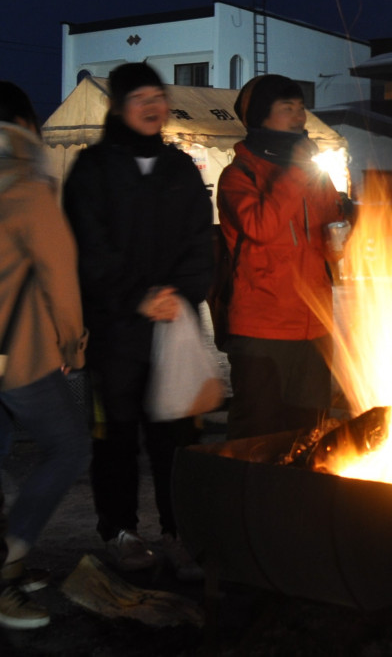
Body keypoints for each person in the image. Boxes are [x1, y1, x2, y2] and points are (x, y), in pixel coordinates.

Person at [62, 63, 214, 580]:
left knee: (177, 437)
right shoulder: (94, 167)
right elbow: (86, 247)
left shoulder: (180, 168)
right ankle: (121, 530)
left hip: (174, 327)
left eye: (158, 96)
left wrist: (180, 294)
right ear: (120, 107)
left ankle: (180, 531)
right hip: (115, 331)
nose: (152, 106)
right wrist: (136, 298)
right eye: (139, 97)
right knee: (117, 436)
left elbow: (202, 241)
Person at [0, 82, 88, 629]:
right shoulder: (28, 187)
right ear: (28, 126)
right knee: (68, 446)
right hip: (19, 354)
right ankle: (10, 571)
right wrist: (72, 345)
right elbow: (60, 277)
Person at [217, 74, 346, 441]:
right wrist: (295, 171)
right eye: (287, 108)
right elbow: (261, 226)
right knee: (257, 434)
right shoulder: (238, 175)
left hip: (315, 325)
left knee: (309, 436)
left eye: (301, 108)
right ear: (260, 117)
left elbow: (330, 229)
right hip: (261, 330)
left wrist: (343, 234)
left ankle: (300, 500)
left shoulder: (313, 174)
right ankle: (247, 499)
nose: (299, 117)